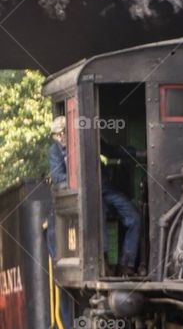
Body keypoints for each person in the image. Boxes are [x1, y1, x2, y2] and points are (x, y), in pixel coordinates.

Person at [48, 114, 142, 276]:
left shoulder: (87, 140)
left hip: (105, 188)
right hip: (85, 194)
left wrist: (137, 153)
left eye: (63, 132)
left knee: (134, 217)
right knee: (99, 212)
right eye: (57, 134)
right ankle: (102, 261)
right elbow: (57, 177)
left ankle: (126, 264)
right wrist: (80, 179)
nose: (61, 136)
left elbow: (112, 151)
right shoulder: (54, 151)